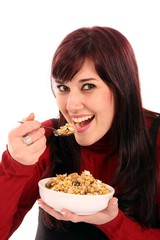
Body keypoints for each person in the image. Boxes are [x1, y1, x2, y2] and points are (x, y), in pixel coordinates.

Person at [0, 26, 160, 240]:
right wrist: (15, 165)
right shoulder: (48, 141)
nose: (72, 106)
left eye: (88, 86)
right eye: (63, 88)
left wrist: (113, 223)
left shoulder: (156, 139)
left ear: (122, 87)